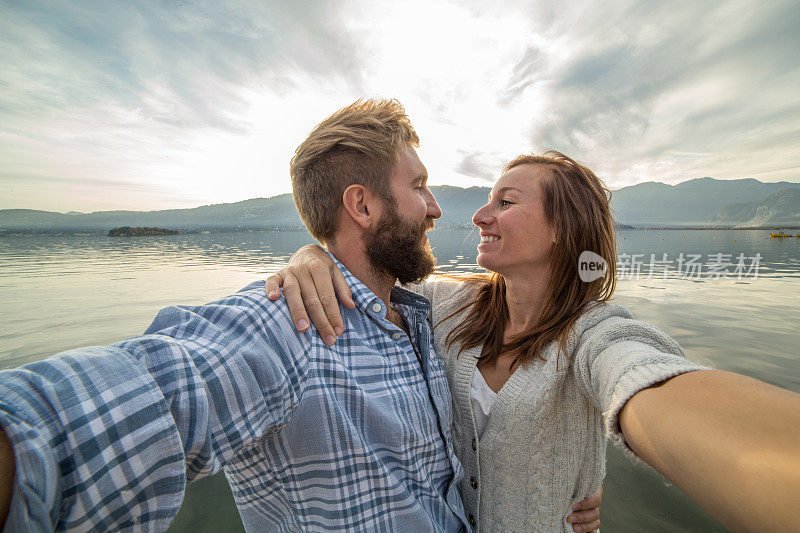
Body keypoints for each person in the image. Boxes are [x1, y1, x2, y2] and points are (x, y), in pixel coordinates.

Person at [0, 100, 602, 532]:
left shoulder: (425, 319)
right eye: (418, 186)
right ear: (362, 204)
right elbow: (151, 392)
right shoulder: (292, 323)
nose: (438, 208)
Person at [264, 151, 800, 532]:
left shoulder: (593, 331)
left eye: (505, 202)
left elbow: (638, 371)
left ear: (562, 230)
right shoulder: (449, 305)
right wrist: (311, 256)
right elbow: (366, 274)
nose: (479, 215)